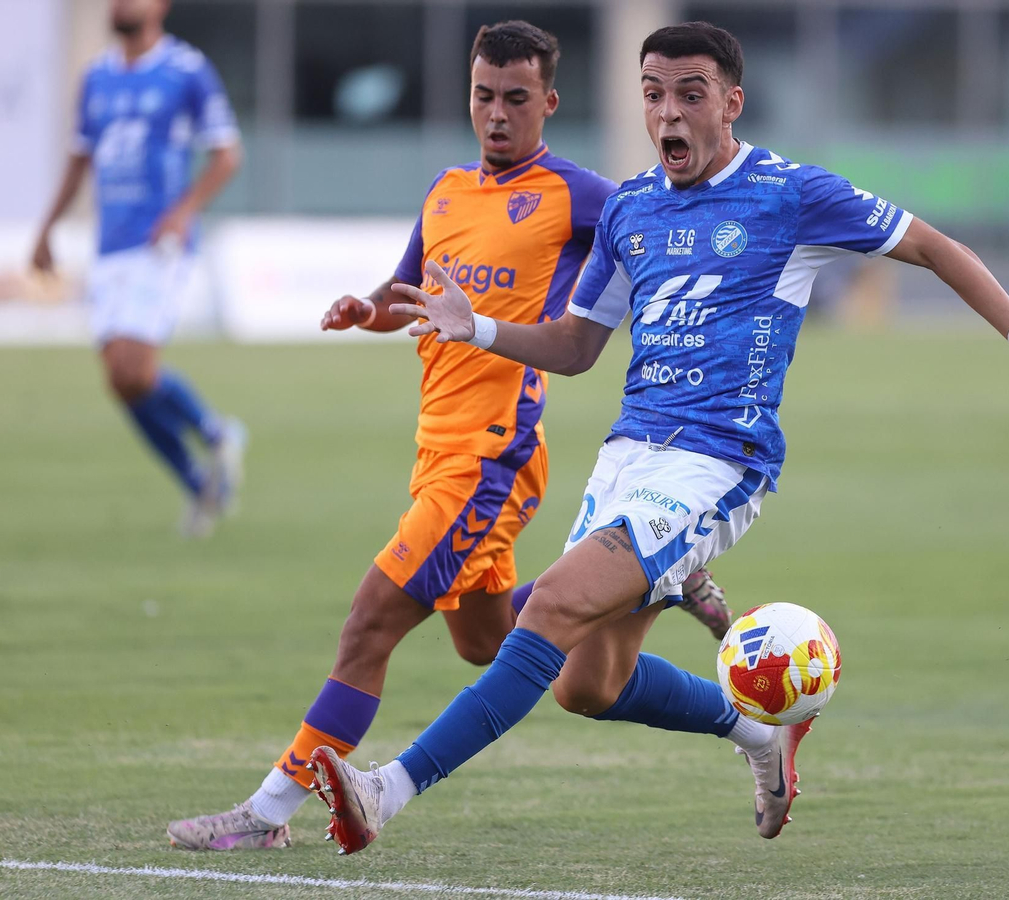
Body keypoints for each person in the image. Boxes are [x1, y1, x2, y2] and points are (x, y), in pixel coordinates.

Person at [307, 21, 1009, 854]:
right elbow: (576, 347)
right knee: (586, 685)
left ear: (731, 102)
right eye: (654, 94)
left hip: (718, 460)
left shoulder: (789, 194)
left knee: (545, 610)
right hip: (629, 459)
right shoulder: (630, 207)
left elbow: (935, 247)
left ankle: (387, 788)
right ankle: (763, 735)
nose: (668, 113)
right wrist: (475, 326)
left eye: (689, 95)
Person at [165, 21, 734, 852]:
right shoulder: (446, 190)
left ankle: (266, 814)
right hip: (437, 449)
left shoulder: (578, 195)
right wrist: (370, 309)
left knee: (369, 623)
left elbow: (655, 233)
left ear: (549, 102)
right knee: (488, 643)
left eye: (514, 99)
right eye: (482, 96)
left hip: (489, 457)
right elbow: (407, 288)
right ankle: (647, 580)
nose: (495, 115)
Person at [31, 0, 247, 538]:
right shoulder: (97, 76)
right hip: (110, 246)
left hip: (160, 245)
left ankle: (216, 431)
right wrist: (46, 229)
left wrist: (182, 211)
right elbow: (80, 157)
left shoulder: (185, 70)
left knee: (136, 369)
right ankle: (197, 480)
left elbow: (227, 153)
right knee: (120, 381)